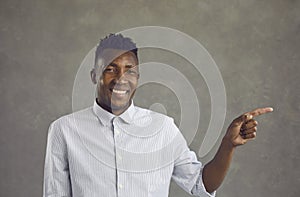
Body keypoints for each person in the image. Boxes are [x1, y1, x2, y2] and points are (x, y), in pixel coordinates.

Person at [43, 33, 273, 197]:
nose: (121, 77)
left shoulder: (163, 128)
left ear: (138, 77)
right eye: (110, 69)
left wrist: (228, 145)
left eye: (129, 70)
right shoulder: (64, 130)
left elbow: (200, 185)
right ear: (95, 75)